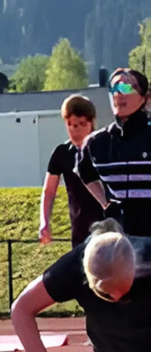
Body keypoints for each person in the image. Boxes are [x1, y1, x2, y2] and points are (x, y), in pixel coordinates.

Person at [11, 219, 151, 352]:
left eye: (123, 290)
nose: (115, 297)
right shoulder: (72, 268)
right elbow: (21, 308)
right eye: (105, 293)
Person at [76, 69, 151, 237]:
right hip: (119, 237)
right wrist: (105, 202)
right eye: (114, 89)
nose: (118, 94)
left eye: (125, 88)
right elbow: (84, 171)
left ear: (144, 97)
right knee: (68, 263)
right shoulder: (96, 142)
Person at [38, 95, 103, 248]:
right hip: (79, 231)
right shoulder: (62, 153)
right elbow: (49, 191)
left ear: (91, 123)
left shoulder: (105, 147)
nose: (77, 130)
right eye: (71, 125)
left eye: (81, 124)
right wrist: (44, 222)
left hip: (107, 228)